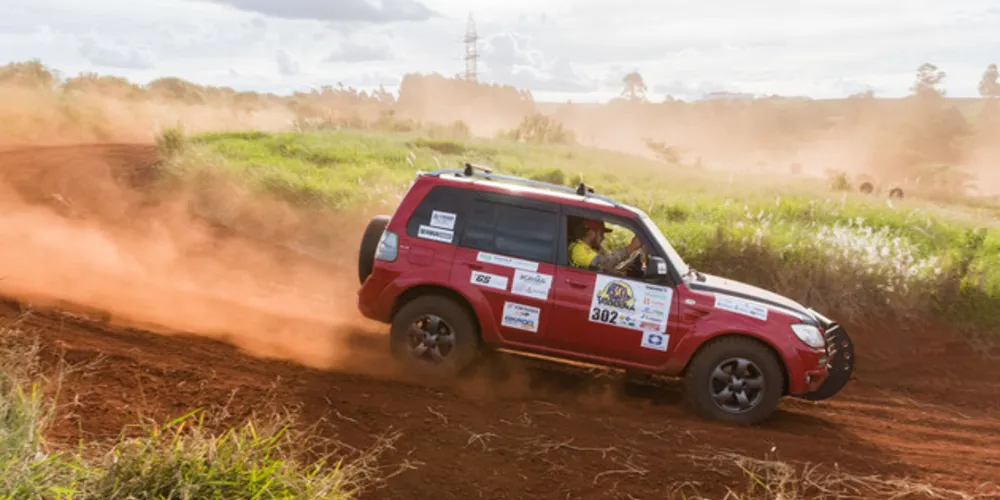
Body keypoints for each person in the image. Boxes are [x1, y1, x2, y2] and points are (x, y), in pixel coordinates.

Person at [568, 218, 642, 274]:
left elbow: (600, 268)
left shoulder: (592, 249)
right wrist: (631, 247)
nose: (603, 238)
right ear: (591, 232)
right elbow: (603, 263)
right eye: (601, 234)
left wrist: (619, 270)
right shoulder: (578, 249)